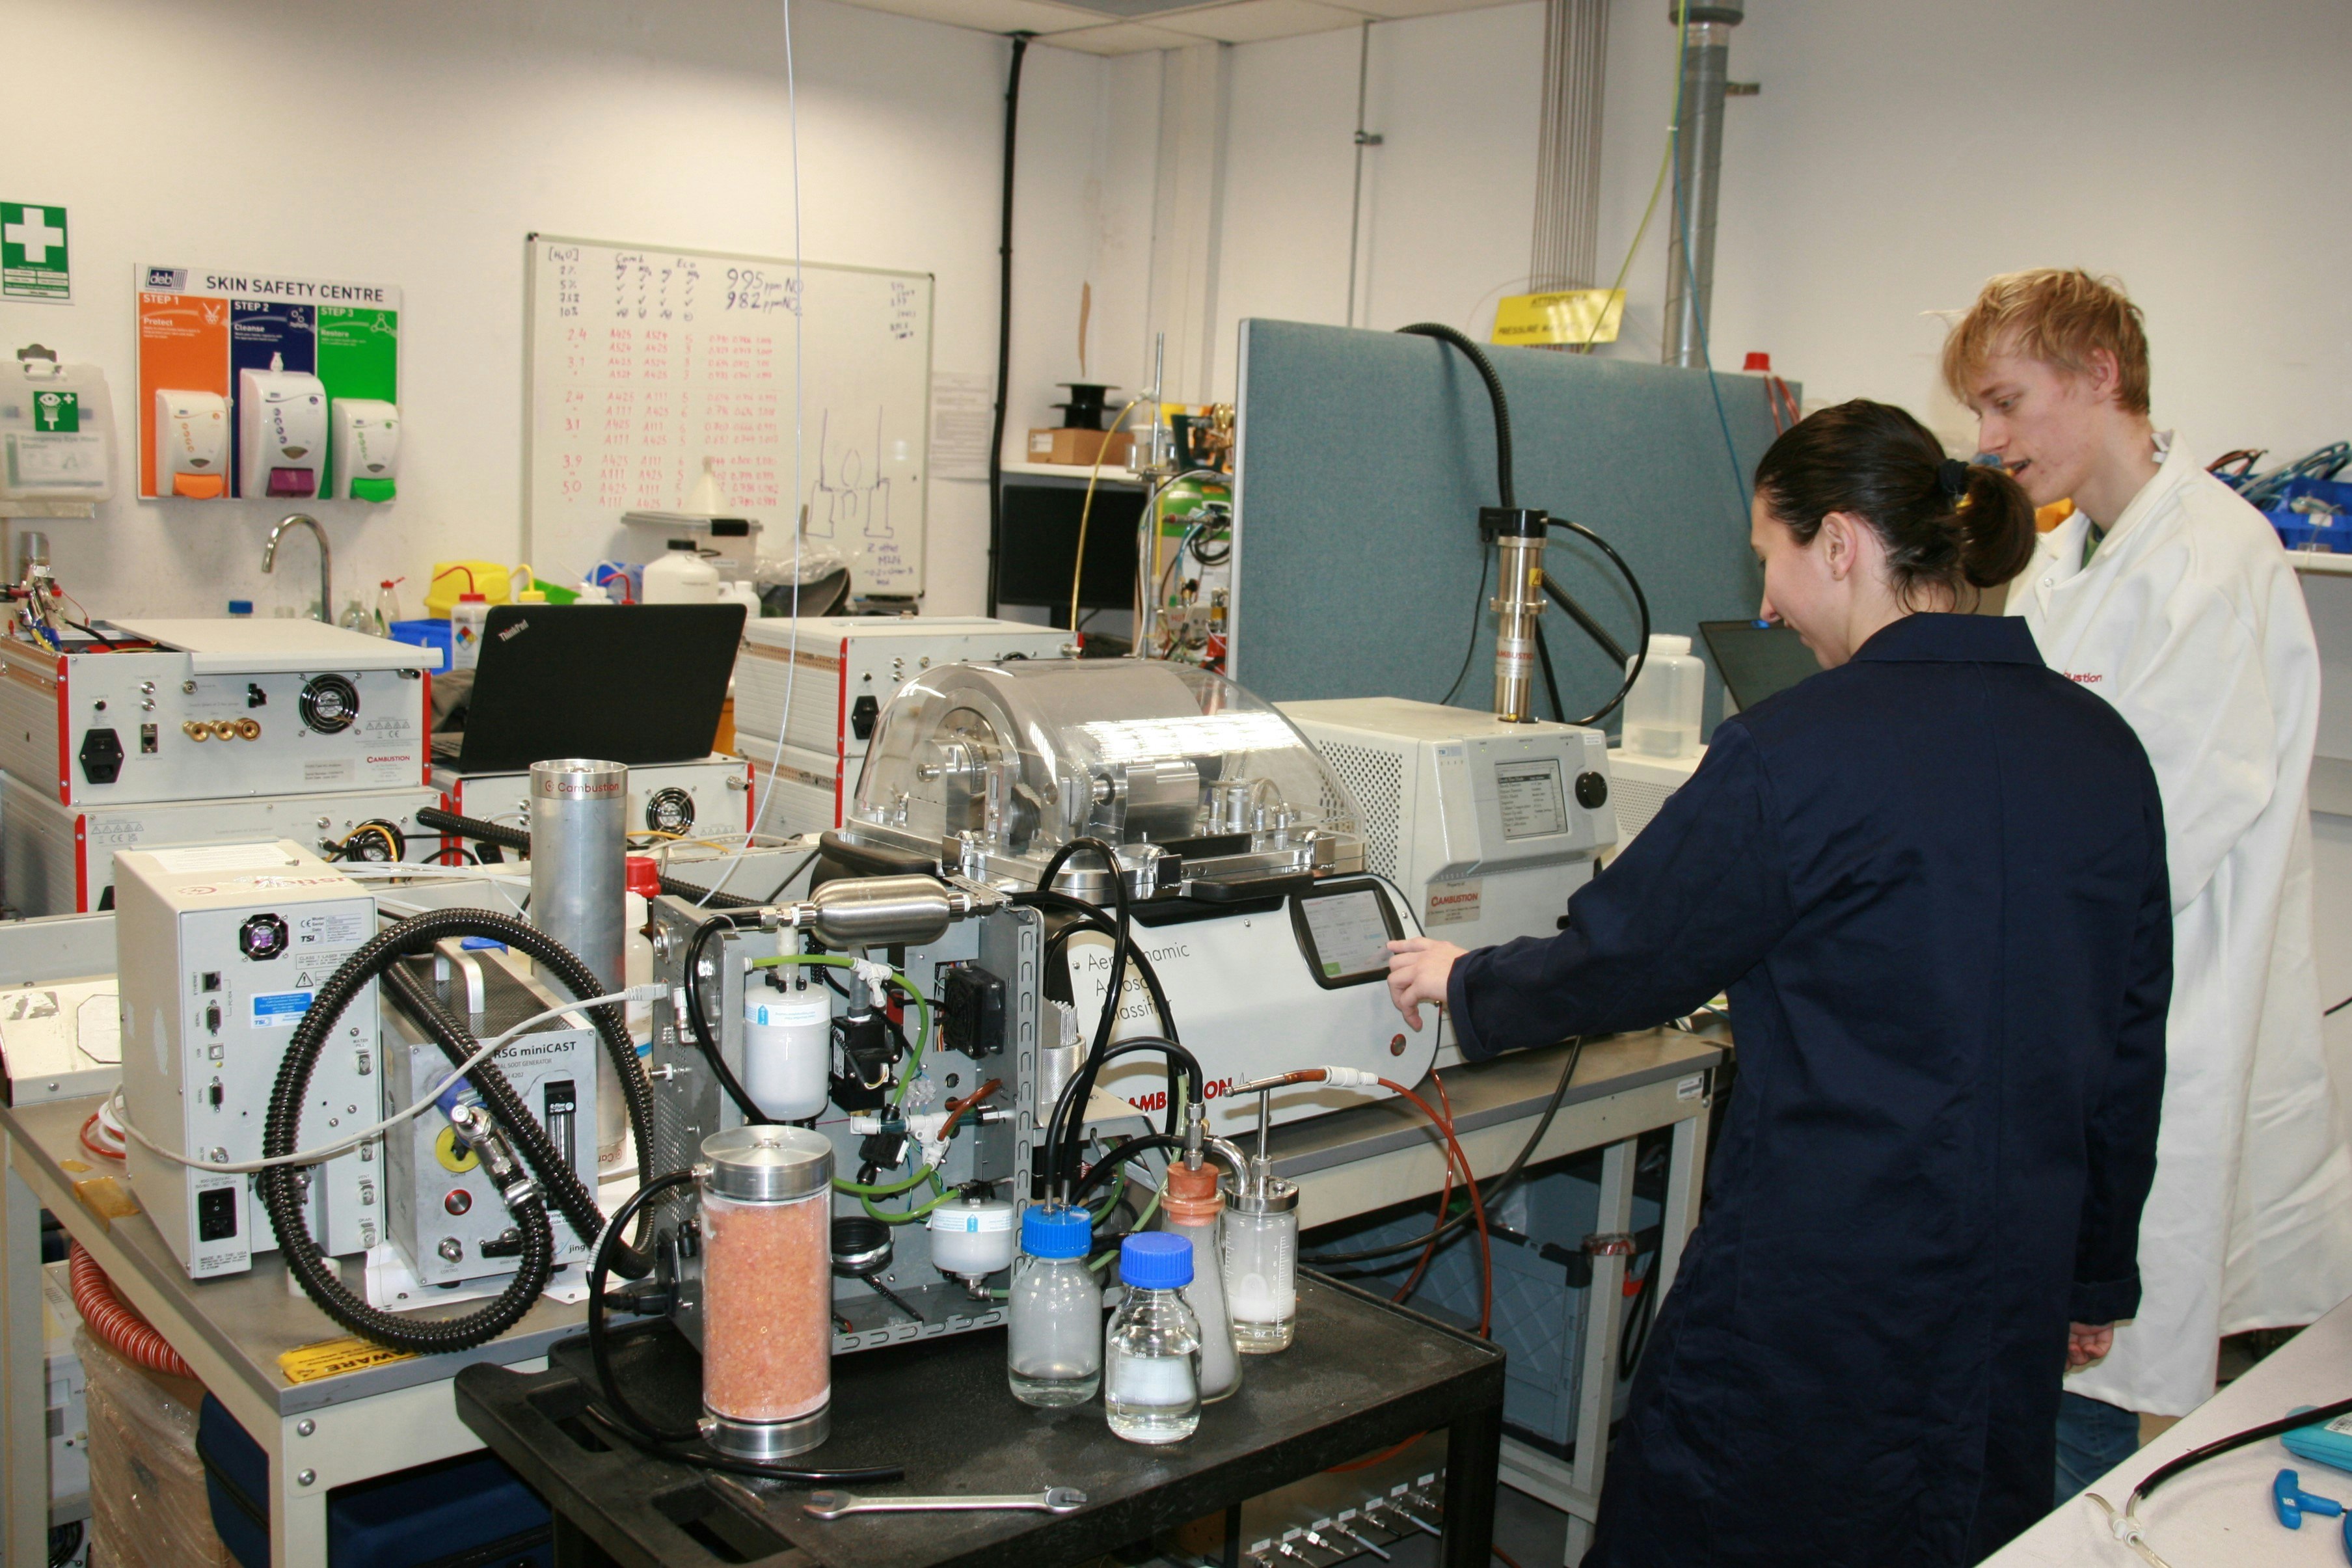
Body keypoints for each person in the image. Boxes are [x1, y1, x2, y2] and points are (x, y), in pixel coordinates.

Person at [1386, 399, 2170, 1566]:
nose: (1766, 603)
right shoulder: (2104, 750)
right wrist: (2096, 1270)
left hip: (1820, 1295)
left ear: (1840, 543)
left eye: (1772, 556)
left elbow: (1627, 957)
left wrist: (1469, 981)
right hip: (2011, 1287)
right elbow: (2130, 1040)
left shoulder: (1795, 749)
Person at [1943, 268, 2352, 1496]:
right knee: (2043, 1379)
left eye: (2007, 402)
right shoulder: (2069, 561)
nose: (1988, 440)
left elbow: (2145, 852)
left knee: (2095, 1405)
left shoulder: (2213, 563)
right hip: (2081, 1026)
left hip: (2158, 1034)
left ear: (2100, 374)